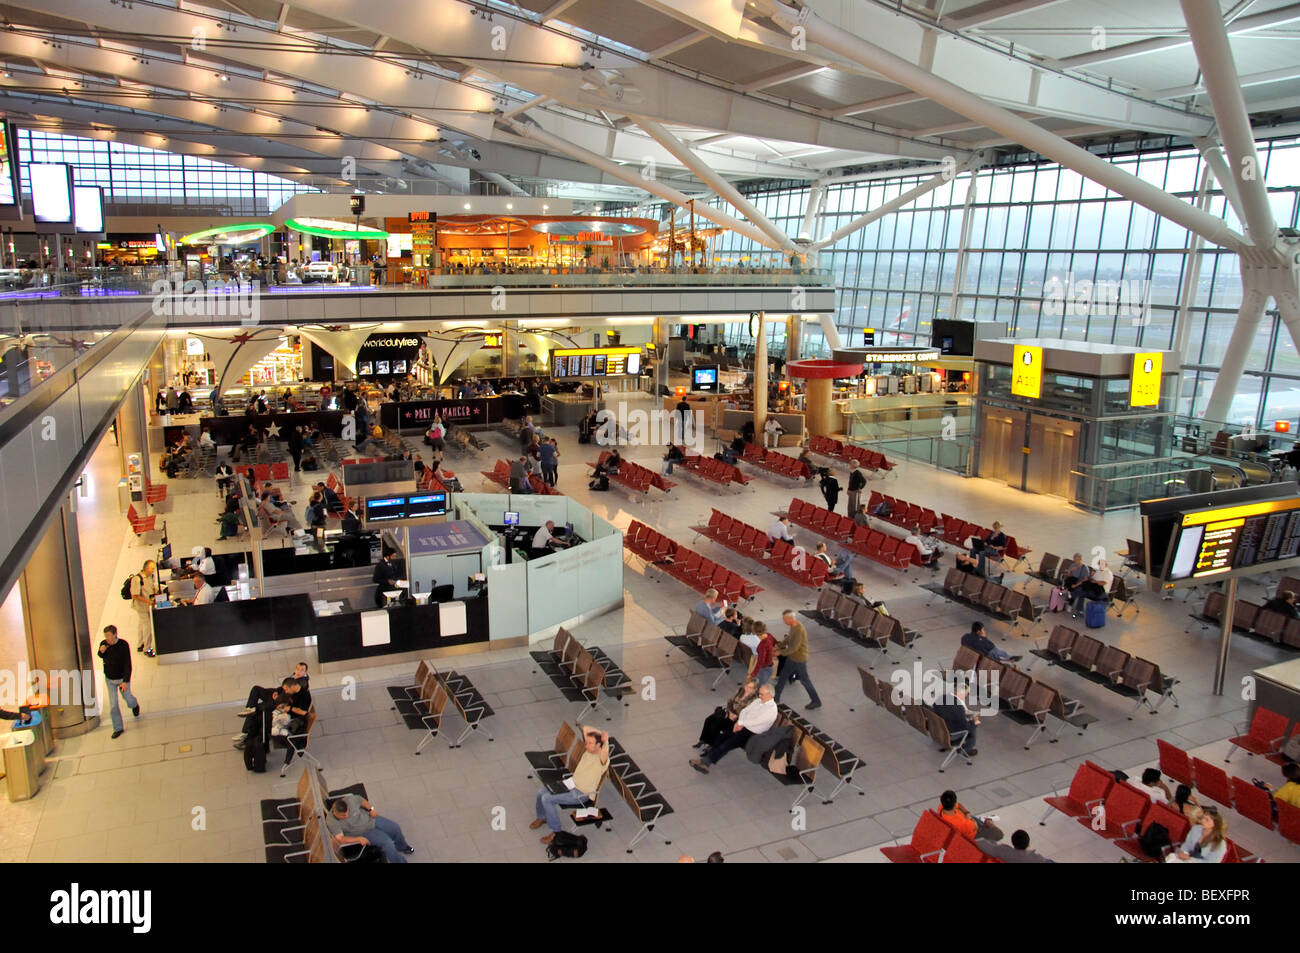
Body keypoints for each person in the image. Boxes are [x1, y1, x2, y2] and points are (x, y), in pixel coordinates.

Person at [530, 726, 609, 843]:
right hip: (570, 784)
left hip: (581, 793)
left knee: (547, 799)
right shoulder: (588, 752)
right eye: (586, 742)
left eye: (590, 743)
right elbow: (586, 728)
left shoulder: (602, 760)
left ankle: (556, 833)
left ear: (599, 745)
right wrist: (598, 734)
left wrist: (605, 739)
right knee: (541, 792)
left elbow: (605, 751)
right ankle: (542, 817)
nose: (586, 745)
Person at [690, 682, 778, 773]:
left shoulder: (771, 710)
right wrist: (739, 723)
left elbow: (756, 722)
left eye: (762, 694)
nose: (759, 696)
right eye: (759, 693)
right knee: (722, 737)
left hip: (752, 733)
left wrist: (741, 723)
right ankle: (706, 758)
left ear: (769, 695)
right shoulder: (759, 701)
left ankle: (706, 763)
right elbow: (745, 711)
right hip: (742, 725)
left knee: (727, 744)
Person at [326, 793, 415, 863]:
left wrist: (371, 809)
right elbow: (341, 839)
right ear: (334, 812)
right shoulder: (331, 821)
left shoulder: (350, 800)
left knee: (395, 827)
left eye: (347, 812)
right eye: (343, 815)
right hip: (364, 832)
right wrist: (358, 839)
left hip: (370, 819)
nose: (346, 815)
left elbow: (361, 800)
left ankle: (402, 846)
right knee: (388, 844)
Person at [97, 625, 140, 739]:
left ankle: (134, 705)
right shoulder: (104, 644)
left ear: (115, 634)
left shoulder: (123, 645)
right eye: (105, 636)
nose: (107, 639)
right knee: (113, 705)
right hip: (110, 679)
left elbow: (127, 664)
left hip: (122, 679)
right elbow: (101, 655)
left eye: (109, 636)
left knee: (128, 698)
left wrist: (125, 681)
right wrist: (101, 651)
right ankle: (118, 728)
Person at [773, 609, 822, 710]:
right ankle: (776, 697)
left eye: (784, 619)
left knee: (805, 680)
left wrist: (780, 652)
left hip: (799, 659)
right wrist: (779, 645)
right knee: (783, 675)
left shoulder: (799, 629)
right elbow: (789, 639)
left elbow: (794, 647)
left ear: (790, 619)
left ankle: (816, 700)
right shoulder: (793, 626)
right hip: (792, 657)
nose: (784, 622)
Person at [695, 678, 759, 749]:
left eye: (750, 687)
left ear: (754, 689)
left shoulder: (754, 700)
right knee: (709, 720)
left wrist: (735, 715)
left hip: (737, 720)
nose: (747, 688)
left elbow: (747, 712)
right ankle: (703, 740)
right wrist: (730, 712)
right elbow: (730, 701)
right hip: (729, 713)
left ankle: (711, 745)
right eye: (747, 686)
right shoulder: (740, 690)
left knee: (716, 725)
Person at [932, 683, 979, 757]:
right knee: (973, 726)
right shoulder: (958, 707)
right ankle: (968, 750)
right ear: (963, 694)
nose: (967, 696)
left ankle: (945, 745)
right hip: (949, 735)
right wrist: (975, 721)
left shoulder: (941, 698)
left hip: (938, 730)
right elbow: (965, 727)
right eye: (967, 694)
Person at [938, 789, 1002, 842]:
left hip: (967, 821)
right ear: (954, 804)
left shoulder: (941, 808)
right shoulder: (963, 824)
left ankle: (982, 821)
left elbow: (959, 805)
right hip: (974, 834)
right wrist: (969, 818)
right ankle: (987, 821)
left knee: (973, 818)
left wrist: (967, 813)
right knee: (999, 834)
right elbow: (975, 826)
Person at [127, 560, 159, 656]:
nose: (153, 570)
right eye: (152, 568)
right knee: (147, 627)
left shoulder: (150, 576)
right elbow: (135, 595)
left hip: (147, 605)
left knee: (141, 624)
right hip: (141, 607)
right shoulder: (137, 579)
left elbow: (152, 586)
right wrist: (148, 601)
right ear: (146, 568)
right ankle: (147, 648)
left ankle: (140, 644)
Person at [978, 829, 1053, 863]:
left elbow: (980, 843)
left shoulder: (1003, 851)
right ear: (1028, 844)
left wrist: (993, 843)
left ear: (1013, 842)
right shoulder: (1037, 858)